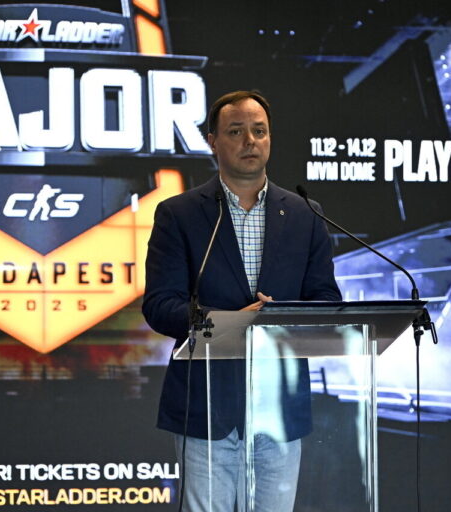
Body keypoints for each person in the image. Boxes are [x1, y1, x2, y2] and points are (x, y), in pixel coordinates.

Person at [142, 90, 342, 512]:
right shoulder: (179, 214)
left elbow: (326, 298)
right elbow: (160, 305)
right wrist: (228, 322)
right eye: (236, 131)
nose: (250, 141)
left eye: (259, 131)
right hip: (205, 406)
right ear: (213, 141)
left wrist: (281, 316)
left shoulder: (306, 214)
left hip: (280, 406)